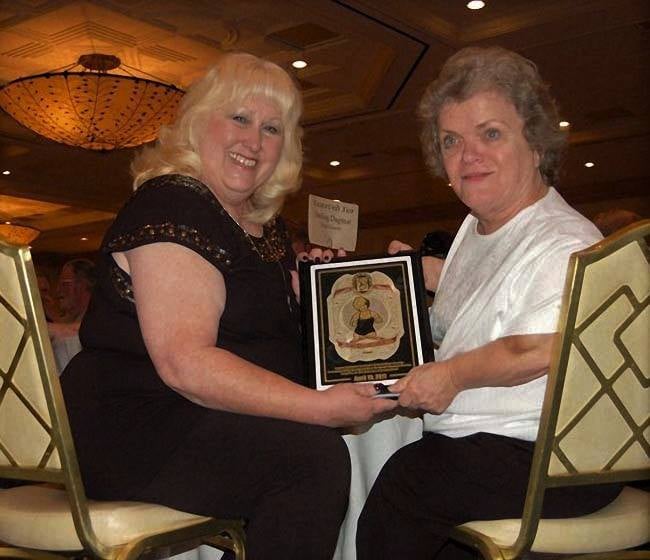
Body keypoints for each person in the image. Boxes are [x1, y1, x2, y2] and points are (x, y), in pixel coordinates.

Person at [59, 52, 396, 560]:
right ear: (198, 124)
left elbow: (266, 344)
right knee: (310, 459)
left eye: (271, 128)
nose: (253, 141)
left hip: (193, 421)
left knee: (315, 454)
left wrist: (319, 304)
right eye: (239, 118)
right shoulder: (174, 202)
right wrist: (320, 409)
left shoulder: (268, 230)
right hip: (134, 427)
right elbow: (185, 363)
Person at [356, 46, 621, 559]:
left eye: (491, 134)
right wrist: (408, 283)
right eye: (452, 141)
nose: (467, 155)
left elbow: (535, 349)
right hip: (489, 444)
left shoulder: (563, 238)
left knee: (407, 484)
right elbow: (471, 317)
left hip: (555, 457)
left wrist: (451, 376)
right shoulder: (475, 230)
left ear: (537, 144)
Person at [56, 258, 96, 323]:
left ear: (81, 285)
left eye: (64, 284)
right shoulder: (64, 322)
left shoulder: (100, 319)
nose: (58, 290)